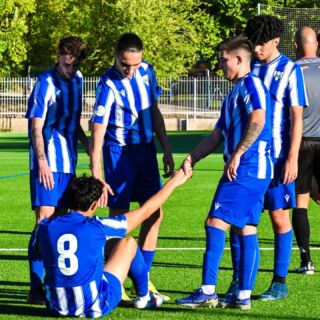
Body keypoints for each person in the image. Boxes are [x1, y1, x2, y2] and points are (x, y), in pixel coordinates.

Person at [175, 36, 272, 310]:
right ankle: (243, 296)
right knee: (246, 228)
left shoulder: (251, 84)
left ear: (240, 59)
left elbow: (259, 118)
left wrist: (239, 153)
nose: (220, 65)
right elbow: (217, 134)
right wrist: (192, 157)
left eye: (224, 60)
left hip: (248, 168)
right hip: (252, 169)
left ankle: (207, 291)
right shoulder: (233, 93)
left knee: (214, 222)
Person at [227, 15, 307, 302]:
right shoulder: (247, 67)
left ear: (275, 41)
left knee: (279, 217)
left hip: (277, 157)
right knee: (239, 219)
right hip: (247, 160)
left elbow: (297, 116)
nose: (257, 48)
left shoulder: (289, 70)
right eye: (254, 42)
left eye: (261, 43)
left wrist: (293, 157)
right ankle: (239, 281)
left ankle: (279, 282)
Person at [36, 170, 190, 318]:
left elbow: (38, 253)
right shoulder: (97, 227)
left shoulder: (45, 226)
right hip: (93, 307)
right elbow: (145, 211)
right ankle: (144, 297)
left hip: (55, 306)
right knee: (128, 243)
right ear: (94, 205)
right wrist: (174, 182)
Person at [90, 33, 174, 300]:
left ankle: (143, 279)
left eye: (135, 64)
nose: (131, 70)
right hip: (119, 152)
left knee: (154, 214)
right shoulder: (107, 84)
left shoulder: (147, 71)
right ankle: (113, 277)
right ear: (115, 55)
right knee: (119, 218)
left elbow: (154, 111)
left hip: (147, 151)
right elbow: (97, 131)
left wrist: (167, 149)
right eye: (126, 64)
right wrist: (97, 175)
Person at [25, 36, 89, 304]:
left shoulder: (79, 80)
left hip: (69, 164)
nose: (69, 64)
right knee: (44, 220)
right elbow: (35, 126)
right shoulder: (45, 82)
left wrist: (90, 148)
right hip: (48, 163)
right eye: (65, 57)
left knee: (62, 221)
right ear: (59, 54)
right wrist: (42, 162)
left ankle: (57, 283)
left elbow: (74, 123)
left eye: (74, 61)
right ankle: (36, 286)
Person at [292, 26, 320, 275]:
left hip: (301, 143)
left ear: (295, 46)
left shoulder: (291, 71)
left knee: (301, 201)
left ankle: (306, 261)